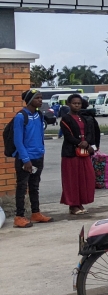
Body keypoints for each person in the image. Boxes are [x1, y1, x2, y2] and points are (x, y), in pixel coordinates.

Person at [11, 89, 53, 228]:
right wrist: (25, 159)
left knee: (34, 186)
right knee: (22, 187)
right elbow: (18, 141)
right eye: (37, 98)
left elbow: (39, 135)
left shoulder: (39, 115)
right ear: (29, 100)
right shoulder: (21, 117)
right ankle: (19, 216)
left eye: (41, 98)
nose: (40, 100)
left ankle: (36, 213)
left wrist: (41, 152)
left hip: (38, 156)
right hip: (25, 159)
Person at [59, 94, 99, 216]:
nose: (77, 105)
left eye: (79, 103)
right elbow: (68, 136)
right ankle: (73, 205)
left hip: (84, 152)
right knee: (72, 180)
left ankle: (80, 203)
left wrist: (87, 143)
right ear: (68, 104)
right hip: (71, 153)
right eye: (74, 103)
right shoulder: (66, 119)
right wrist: (80, 143)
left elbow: (90, 133)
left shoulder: (84, 118)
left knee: (86, 178)